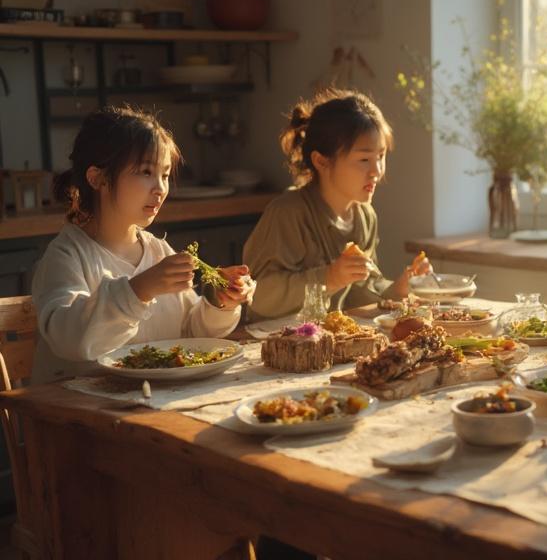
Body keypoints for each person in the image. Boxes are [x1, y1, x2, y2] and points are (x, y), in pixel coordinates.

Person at [31, 106, 254, 384]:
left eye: (165, 174)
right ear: (97, 178)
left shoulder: (158, 251)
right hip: (79, 414)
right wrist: (139, 290)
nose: (160, 188)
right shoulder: (67, 256)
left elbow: (190, 331)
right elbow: (70, 339)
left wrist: (219, 301)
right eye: (146, 172)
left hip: (151, 404)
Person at [243, 88, 430, 322]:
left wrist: (400, 288)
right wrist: (329, 277)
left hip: (333, 344)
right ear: (321, 161)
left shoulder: (364, 216)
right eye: (364, 160)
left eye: (380, 156)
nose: (377, 171)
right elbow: (258, 295)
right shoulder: (289, 213)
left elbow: (362, 290)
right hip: (270, 345)